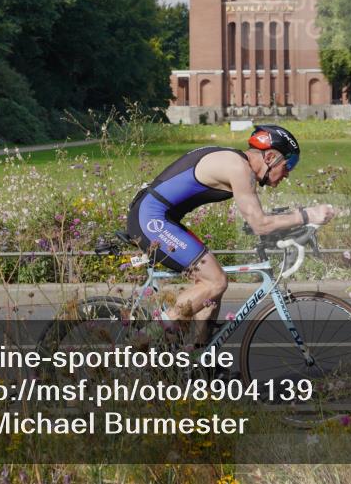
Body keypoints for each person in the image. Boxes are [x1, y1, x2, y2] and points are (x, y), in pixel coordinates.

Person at [126, 125, 335, 344]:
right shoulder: (238, 168)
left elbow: (260, 219)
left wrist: (292, 225)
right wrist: (306, 215)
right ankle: (141, 342)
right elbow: (260, 224)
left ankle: (199, 363)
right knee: (215, 281)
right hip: (150, 219)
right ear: (271, 156)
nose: (288, 173)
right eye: (288, 164)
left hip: (160, 218)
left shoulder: (237, 163)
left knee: (212, 292)